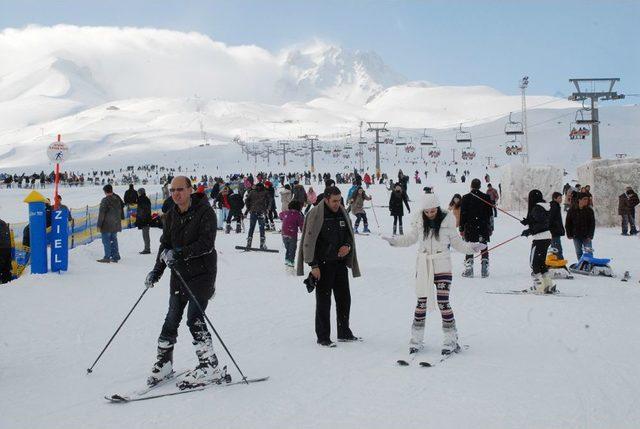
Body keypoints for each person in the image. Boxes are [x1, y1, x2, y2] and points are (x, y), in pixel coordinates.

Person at [144, 176, 226, 388]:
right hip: (179, 275)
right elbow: (165, 245)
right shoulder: (171, 215)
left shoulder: (204, 212)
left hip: (203, 274)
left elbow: (206, 244)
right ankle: (164, 363)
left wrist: (178, 254)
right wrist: (157, 271)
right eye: (172, 190)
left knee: (194, 317)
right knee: (172, 318)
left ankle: (209, 364)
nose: (176, 194)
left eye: (180, 189)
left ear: (190, 190)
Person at [381, 194, 486, 355]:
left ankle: (451, 340)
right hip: (423, 266)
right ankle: (416, 339)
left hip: (442, 265)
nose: (430, 214)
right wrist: (395, 241)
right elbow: (410, 238)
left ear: (437, 208)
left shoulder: (448, 221)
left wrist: (472, 247)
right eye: (427, 212)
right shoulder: (419, 222)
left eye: (432, 211)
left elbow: (458, 243)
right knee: (421, 303)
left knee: (443, 302)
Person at [296, 186, 361, 347]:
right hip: (323, 265)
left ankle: (344, 331)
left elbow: (348, 234)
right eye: (334, 201)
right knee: (324, 302)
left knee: (344, 299)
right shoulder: (316, 214)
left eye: (339, 200)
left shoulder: (342, 212)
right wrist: (313, 265)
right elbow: (308, 241)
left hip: (339, 263)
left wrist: (347, 246)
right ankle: (323, 336)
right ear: (326, 199)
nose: (337, 204)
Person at [521, 190, 554, 294]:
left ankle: (538, 286)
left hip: (540, 238)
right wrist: (528, 221)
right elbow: (541, 221)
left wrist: (529, 231)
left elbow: (542, 224)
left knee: (534, 263)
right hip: (546, 237)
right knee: (541, 263)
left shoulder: (536, 208)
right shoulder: (544, 206)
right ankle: (548, 285)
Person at [459, 179, 493, 278]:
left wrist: (461, 228)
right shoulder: (486, 197)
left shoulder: (465, 198)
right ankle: (484, 268)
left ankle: (469, 269)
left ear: (471, 186)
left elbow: (463, 215)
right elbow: (490, 215)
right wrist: (491, 228)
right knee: (483, 245)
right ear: (480, 186)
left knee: (470, 246)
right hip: (483, 226)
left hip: (470, 227)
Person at [96, 184, 123, 263]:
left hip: (107, 225)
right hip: (115, 224)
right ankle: (115, 256)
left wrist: (99, 225)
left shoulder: (105, 200)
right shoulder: (117, 199)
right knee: (114, 240)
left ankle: (107, 257)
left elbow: (102, 214)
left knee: (106, 241)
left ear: (105, 191)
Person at [565, 193, 595, 259]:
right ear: (579, 200)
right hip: (576, 235)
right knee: (578, 252)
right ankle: (581, 267)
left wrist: (590, 235)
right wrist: (569, 234)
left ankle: (590, 266)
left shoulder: (589, 211)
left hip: (586, 236)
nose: (586, 201)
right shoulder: (572, 210)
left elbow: (592, 224)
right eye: (584, 199)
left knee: (589, 252)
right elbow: (568, 223)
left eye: (587, 199)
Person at [279, 200, 305, 267]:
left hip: (284, 233)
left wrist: (284, 219)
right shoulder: (298, 215)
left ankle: (287, 260)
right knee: (292, 249)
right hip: (292, 234)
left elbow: (280, 215)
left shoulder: (285, 213)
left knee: (288, 248)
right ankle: (291, 262)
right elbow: (301, 225)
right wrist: (304, 232)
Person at [244, 182, 270, 249]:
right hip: (261, 211)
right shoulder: (265, 192)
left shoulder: (252, 192)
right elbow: (270, 201)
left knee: (251, 227)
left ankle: (249, 243)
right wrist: (267, 209)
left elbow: (247, 200)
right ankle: (262, 244)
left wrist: (249, 208)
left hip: (253, 211)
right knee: (261, 228)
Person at [549, 192, 566, 260]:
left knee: (555, 248)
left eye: (561, 198)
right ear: (554, 198)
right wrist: (555, 228)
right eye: (559, 198)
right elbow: (552, 219)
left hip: (555, 231)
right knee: (557, 248)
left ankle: (556, 261)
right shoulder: (553, 206)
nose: (561, 199)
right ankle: (559, 262)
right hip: (554, 231)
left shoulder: (556, 205)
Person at [135, 188, 152, 254]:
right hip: (146, 219)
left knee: (145, 235)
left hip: (145, 220)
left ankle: (147, 249)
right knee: (145, 235)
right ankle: (147, 248)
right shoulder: (145, 199)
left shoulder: (142, 200)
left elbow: (143, 211)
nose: (138, 194)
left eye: (138, 192)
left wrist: (141, 219)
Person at [0, 217, 12, 284]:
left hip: (2, 248)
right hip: (7, 249)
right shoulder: (3, 223)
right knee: (6, 269)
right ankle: (7, 284)